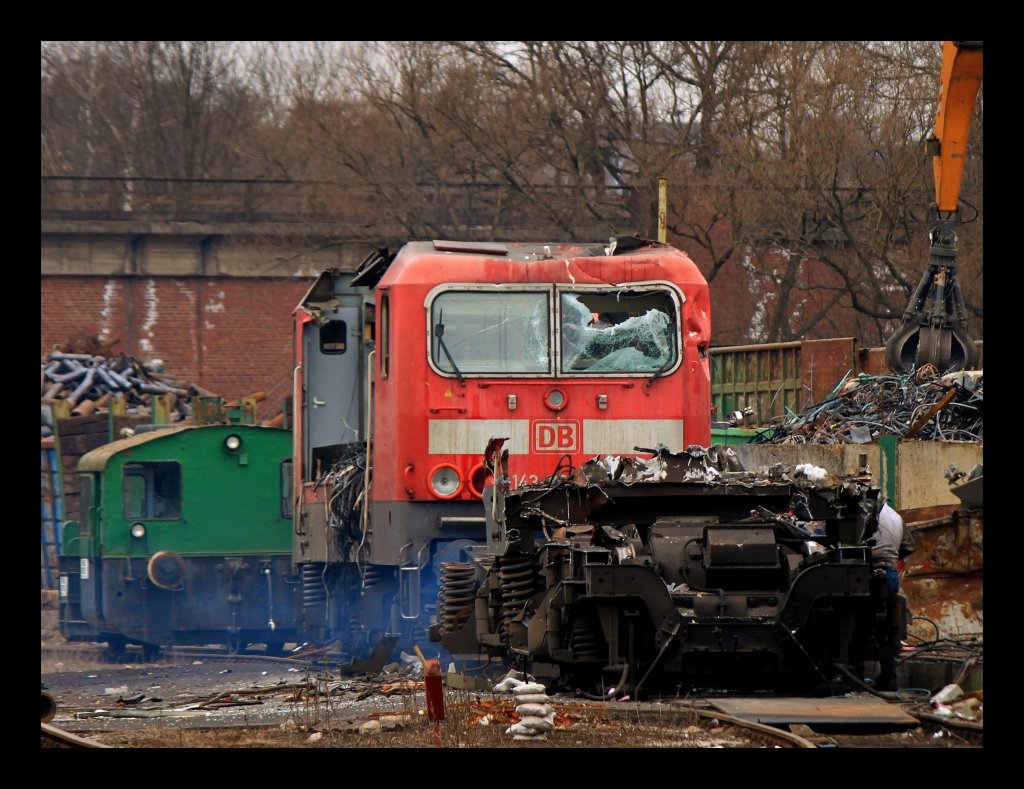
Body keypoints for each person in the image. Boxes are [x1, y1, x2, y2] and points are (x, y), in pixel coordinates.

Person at [869, 499, 916, 690]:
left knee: (863, 624)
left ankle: (849, 669)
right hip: (890, 573)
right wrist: (893, 555)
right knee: (888, 627)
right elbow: (910, 546)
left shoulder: (868, 512)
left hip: (870, 573)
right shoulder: (896, 517)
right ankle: (889, 676)